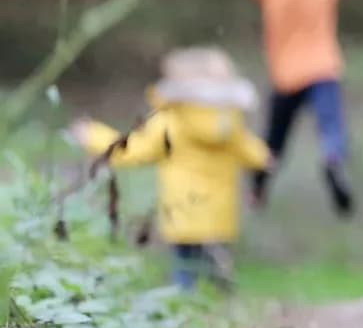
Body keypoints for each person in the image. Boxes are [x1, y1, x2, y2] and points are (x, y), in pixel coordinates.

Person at [158, 0, 363, 216]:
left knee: (274, 139)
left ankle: (258, 188)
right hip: (324, 69)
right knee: (331, 126)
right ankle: (332, 160)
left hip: (287, 77)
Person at [67, 46, 273, 291]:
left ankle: (186, 303)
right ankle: (219, 301)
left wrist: (92, 136)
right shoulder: (229, 123)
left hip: (184, 211)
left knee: (185, 268)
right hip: (220, 214)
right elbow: (253, 152)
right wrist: (266, 159)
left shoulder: (171, 121)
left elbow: (131, 150)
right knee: (214, 266)